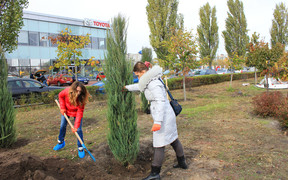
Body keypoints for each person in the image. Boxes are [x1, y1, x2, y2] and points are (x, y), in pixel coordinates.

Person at [124, 62, 187, 180]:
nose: (138, 78)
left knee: (159, 144)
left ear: (143, 72)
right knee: (173, 139)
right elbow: (140, 86)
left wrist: (158, 122)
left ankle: (155, 174)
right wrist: (127, 88)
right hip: (167, 115)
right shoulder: (150, 80)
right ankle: (182, 162)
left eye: (137, 75)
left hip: (163, 117)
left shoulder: (153, 83)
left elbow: (160, 101)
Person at [53, 81, 89, 158]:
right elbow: (60, 96)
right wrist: (62, 108)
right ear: (73, 89)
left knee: (78, 129)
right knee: (62, 125)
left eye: (80, 91)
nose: (78, 93)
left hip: (76, 113)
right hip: (66, 111)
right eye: (77, 91)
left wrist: (75, 126)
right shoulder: (67, 91)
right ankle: (61, 142)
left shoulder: (81, 99)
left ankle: (80, 148)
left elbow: (80, 113)